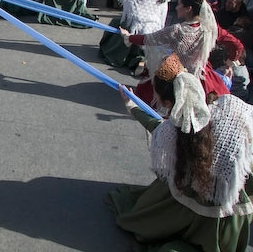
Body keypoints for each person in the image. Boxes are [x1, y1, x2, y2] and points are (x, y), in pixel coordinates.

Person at [108, 53, 253, 251]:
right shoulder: (229, 105)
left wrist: (131, 105)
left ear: (168, 104)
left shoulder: (178, 132)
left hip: (203, 213)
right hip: (235, 212)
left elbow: (156, 125)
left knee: (169, 190)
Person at [122, 0, 239, 105]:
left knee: (150, 89)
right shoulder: (210, 28)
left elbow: (149, 39)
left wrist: (128, 37)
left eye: (179, 4)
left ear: (188, 8)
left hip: (176, 68)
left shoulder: (178, 30)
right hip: (199, 71)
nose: (176, 7)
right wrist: (231, 61)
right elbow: (236, 44)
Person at [96, 0, 170, 72]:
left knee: (116, 23)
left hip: (138, 25)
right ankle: (142, 60)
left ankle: (128, 57)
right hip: (155, 27)